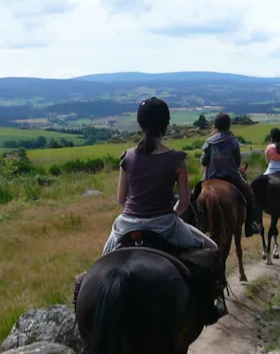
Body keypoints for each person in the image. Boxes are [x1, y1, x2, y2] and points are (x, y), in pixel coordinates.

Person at [74, 97, 228, 325]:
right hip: (164, 224)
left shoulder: (127, 157)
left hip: (126, 224)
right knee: (212, 248)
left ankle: (82, 318)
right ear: (165, 125)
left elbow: (120, 199)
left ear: (140, 124)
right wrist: (171, 215)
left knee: (97, 267)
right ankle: (210, 308)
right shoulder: (177, 159)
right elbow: (184, 203)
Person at [194, 112, 262, 236]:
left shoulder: (209, 142)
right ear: (228, 125)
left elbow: (203, 161)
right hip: (231, 176)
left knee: (193, 197)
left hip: (210, 176)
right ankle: (249, 226)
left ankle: (195, 225)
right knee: (250, 196)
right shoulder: (233, 141)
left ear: (216, 125)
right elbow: (237, 162)